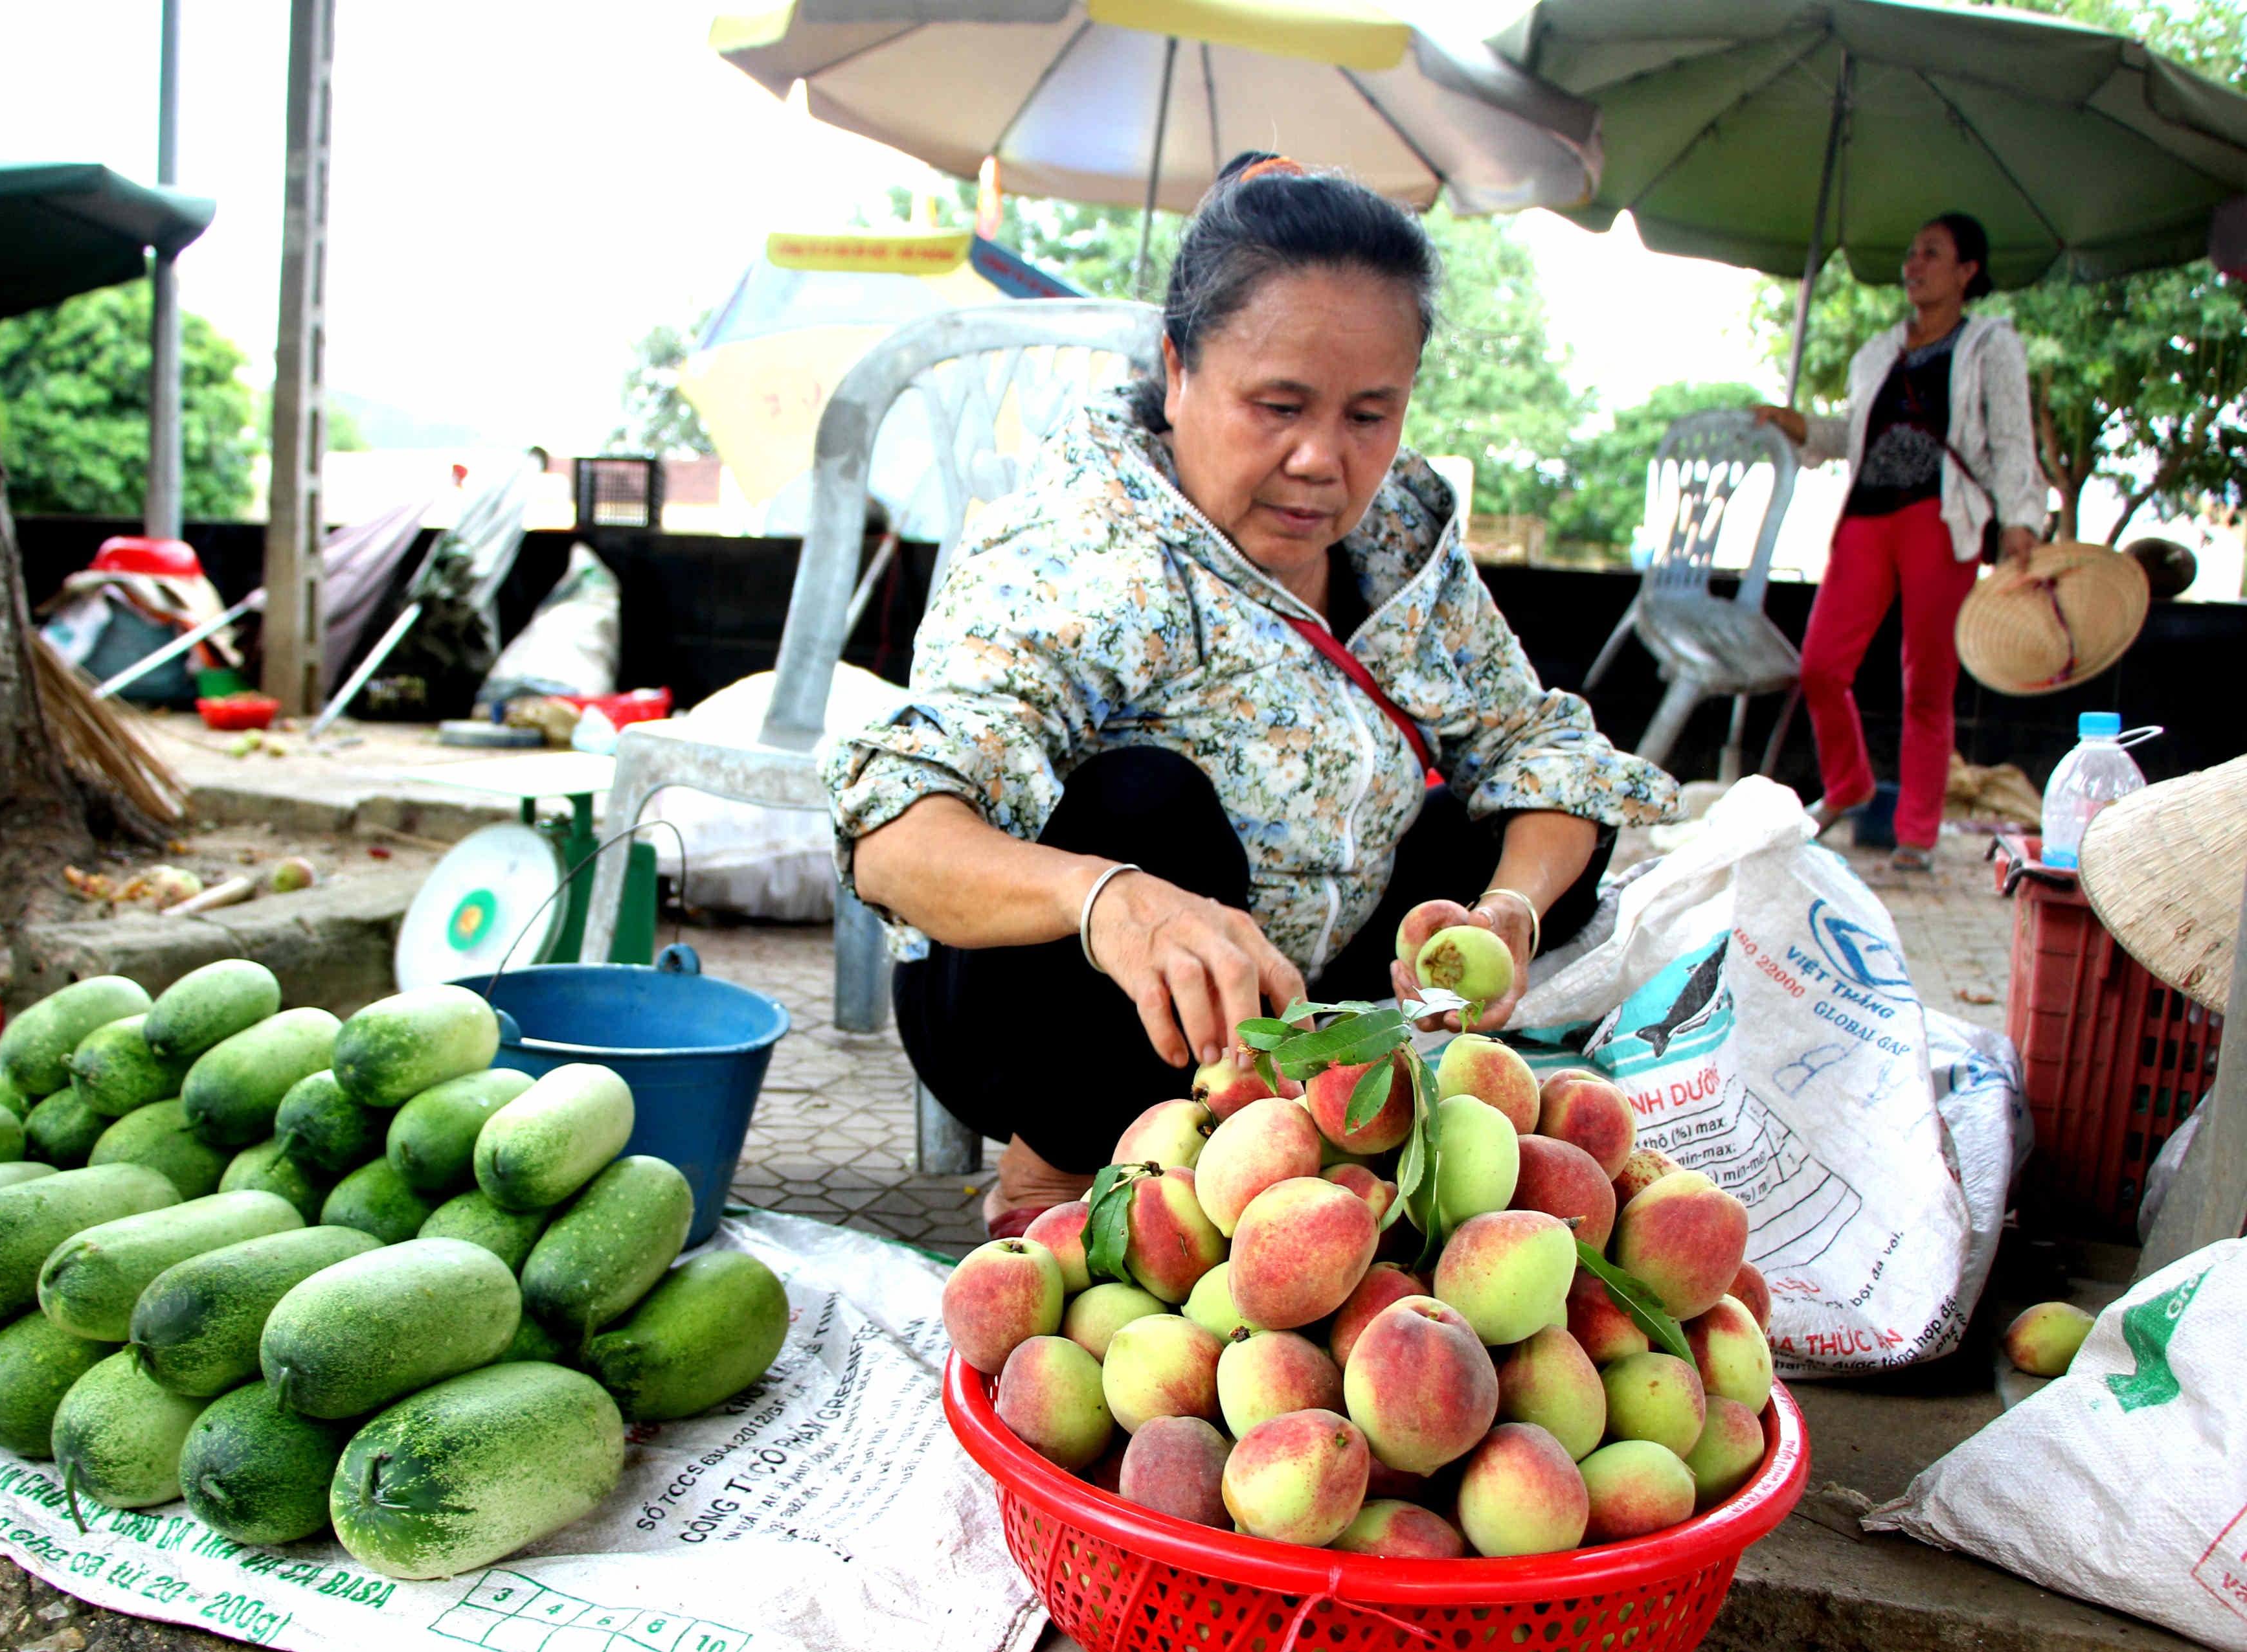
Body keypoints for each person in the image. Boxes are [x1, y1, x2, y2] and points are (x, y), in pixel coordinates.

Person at [822, 154, 1677, 1232]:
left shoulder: (1404, 539)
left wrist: (1505, 912)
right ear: (1177, 369)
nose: (1324, 458)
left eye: (1372, 413)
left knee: (1544, 827)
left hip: (1302, 995)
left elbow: (1535, 746)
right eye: (1278, 405)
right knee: (1143, 802)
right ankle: (1050, 1169)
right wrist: (1115, 902)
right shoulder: (1086, 551)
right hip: (1044, 1023)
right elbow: (891, 834)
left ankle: (1322, 1120)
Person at [1754, 212, 2045, 872]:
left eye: (1931, 254)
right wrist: (1793, 422)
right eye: (1912, 254)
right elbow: (1848, 437)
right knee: (1820, 666)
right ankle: (1849, 783)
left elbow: (2010, 442)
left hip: (1940, 518)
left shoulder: (1989, 345)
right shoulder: (1877, 352)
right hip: (1867, 514)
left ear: (1967, 270)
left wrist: (2021, 516)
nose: (1914, 265)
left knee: (1928, 680)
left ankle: (1917, 831)